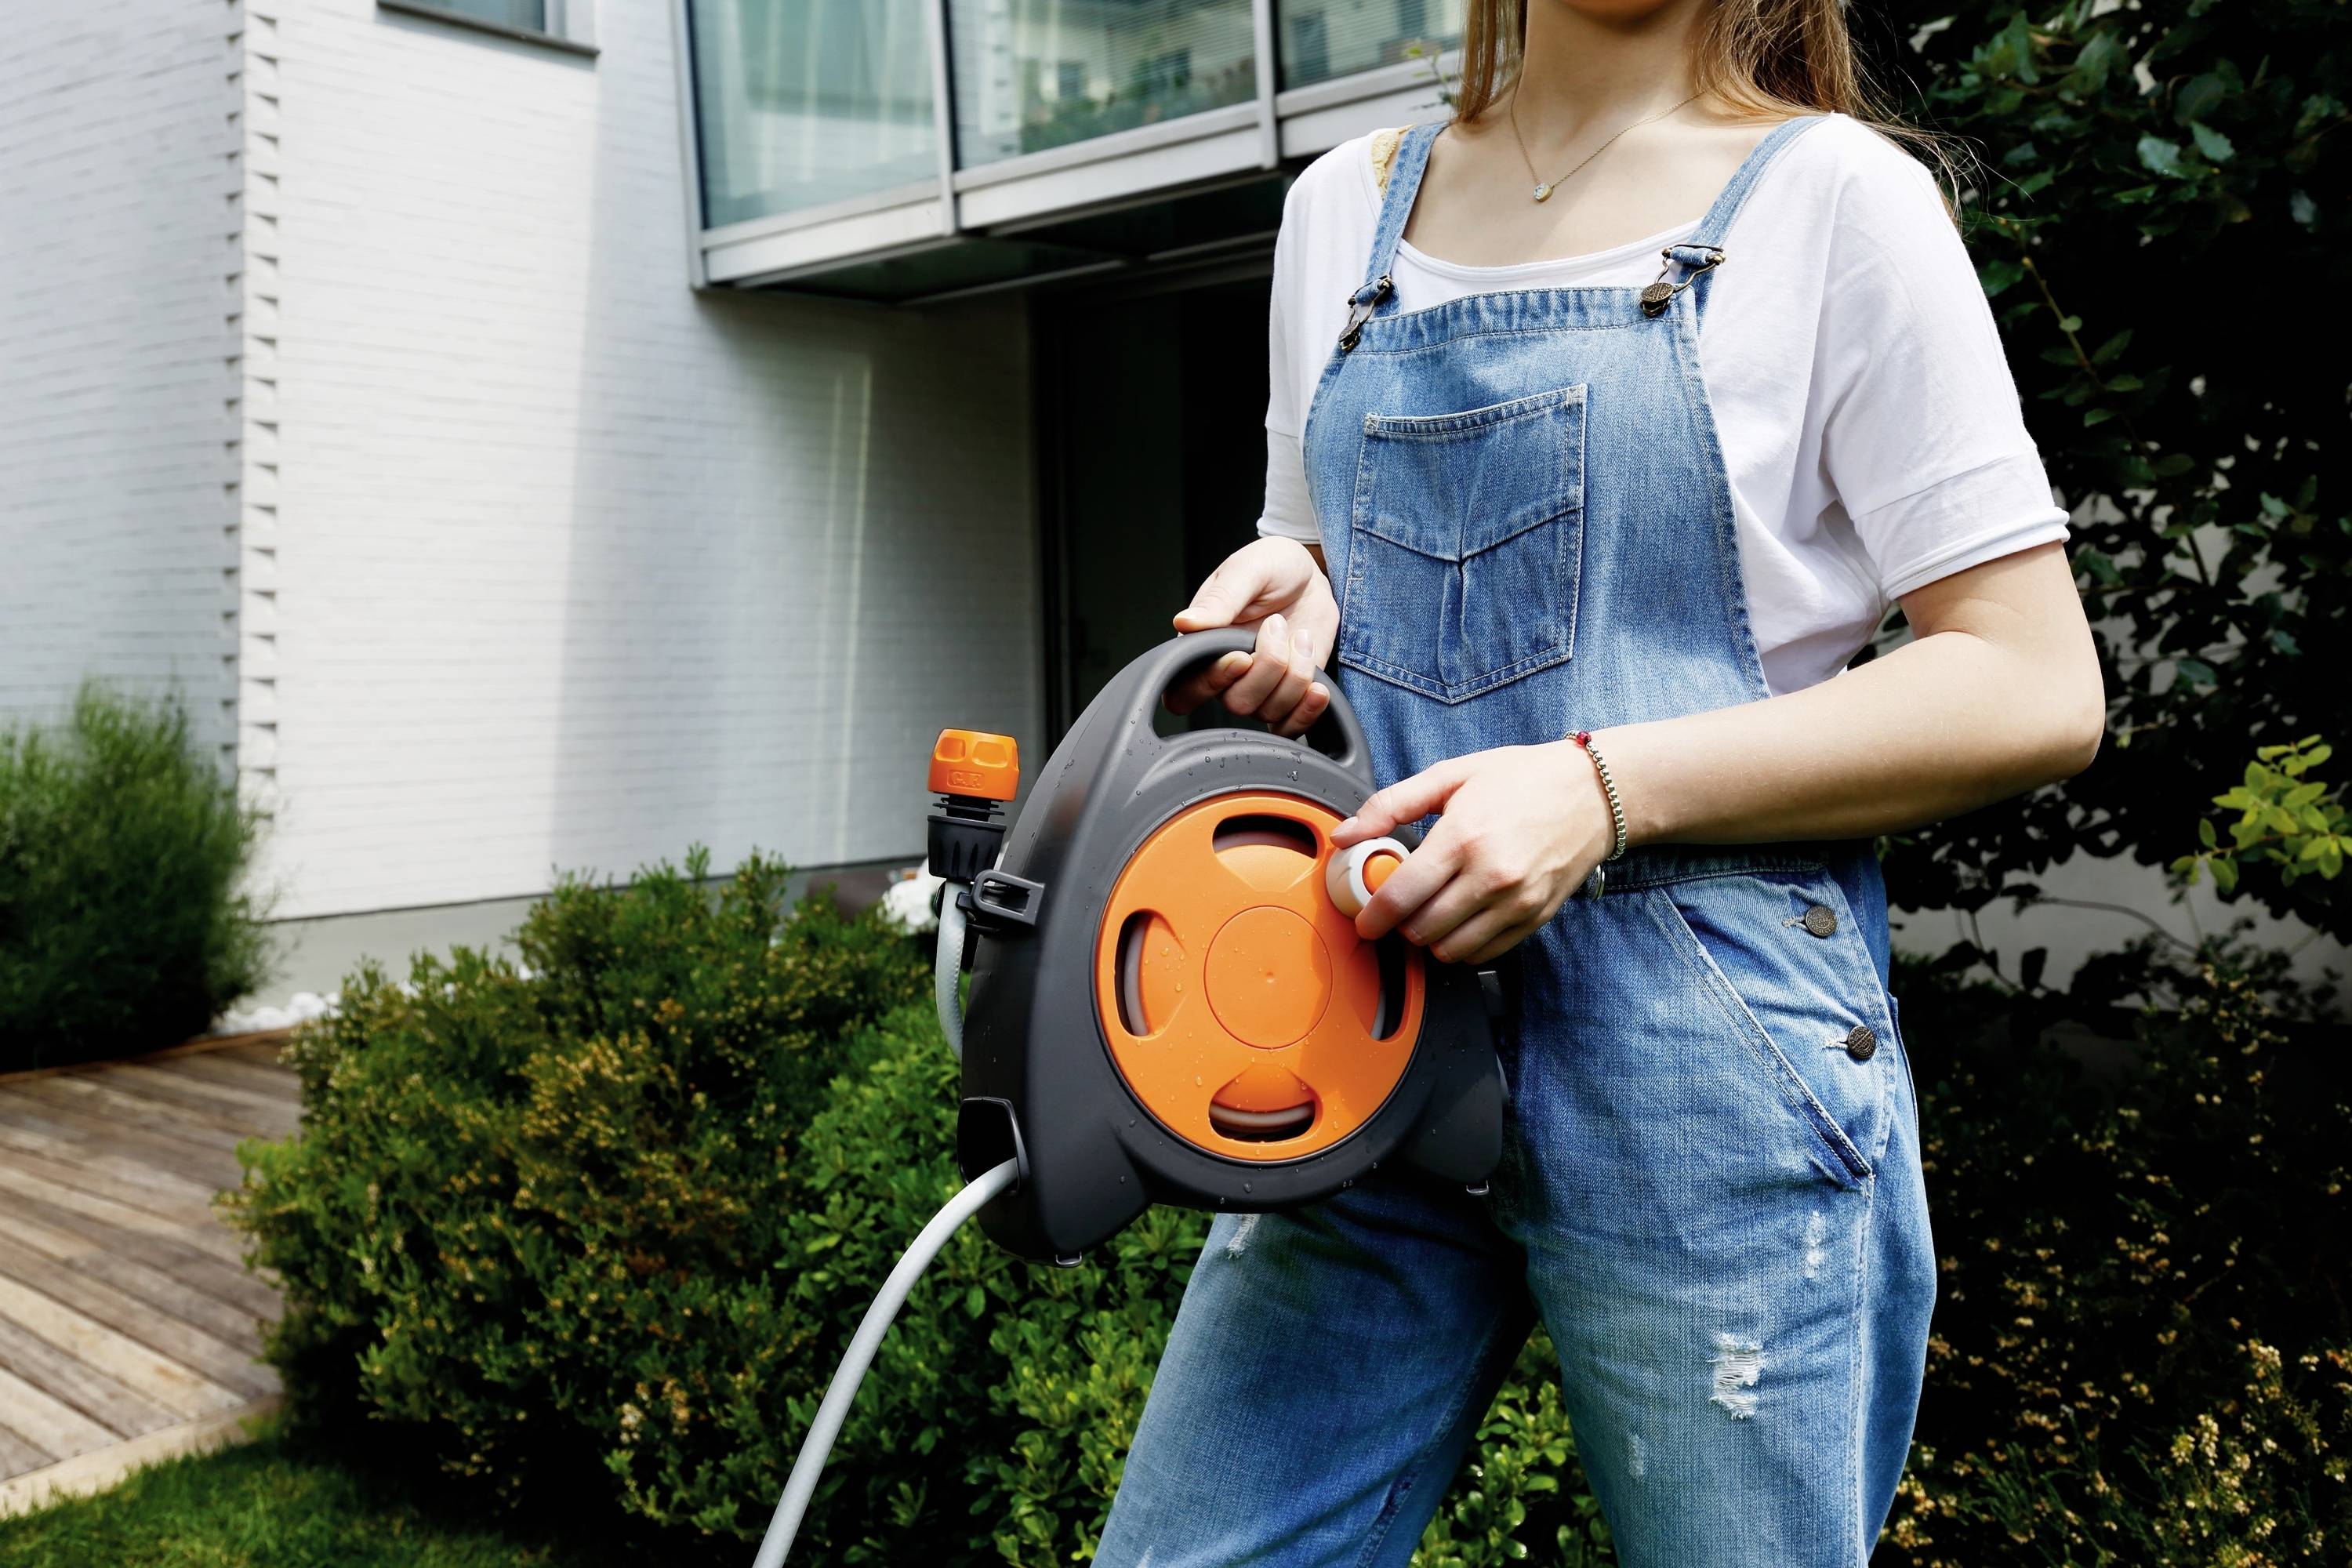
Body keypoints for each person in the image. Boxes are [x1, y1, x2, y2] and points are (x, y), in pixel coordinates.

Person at [1091, 1, 2104, 1564]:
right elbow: (1325, 553)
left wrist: (1600, 787)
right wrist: (1296, 582)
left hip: (1714, 1065)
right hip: (1365, 1022)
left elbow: (2034, 679)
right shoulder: (1339, 210)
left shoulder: (1838, 197)